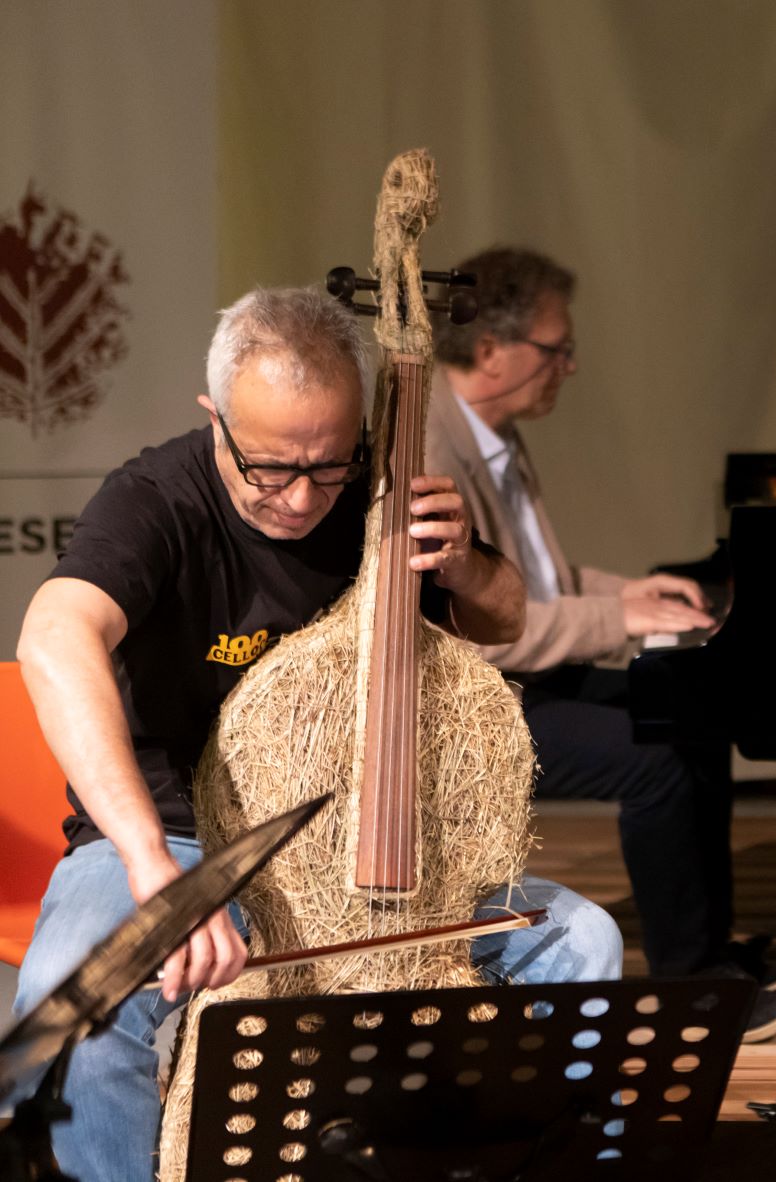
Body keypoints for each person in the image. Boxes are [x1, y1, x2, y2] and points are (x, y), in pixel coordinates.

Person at [10, 287, 624, 1182]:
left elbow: (501, 619)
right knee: (69, 1019)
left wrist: (462, 564)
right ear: (213, 418)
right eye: (266, 468)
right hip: (177, 834)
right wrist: (149, 868)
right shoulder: (154, 500)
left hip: (353, 850)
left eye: (327, 467)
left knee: (584, 943)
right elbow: (53, 634)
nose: (300, 499)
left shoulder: (379, 478)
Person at [426, 246, 776, 1038]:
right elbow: (482, 628)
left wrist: (626, 593)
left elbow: (537, 577)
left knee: (693, 715)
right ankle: (692, 985)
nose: (568, 366)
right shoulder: (434, 448)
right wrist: (623, 620)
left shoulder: (493, 435)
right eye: (555, 349)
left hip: (533, 671)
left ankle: (708, 953)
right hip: (474, 703)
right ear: (491, 350)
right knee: (656, 762)